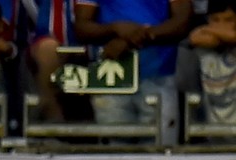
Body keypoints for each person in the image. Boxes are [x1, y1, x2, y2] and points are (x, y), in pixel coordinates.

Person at [74, 0, 193, 145]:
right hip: (111, 80)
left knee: (161, 157)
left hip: (160, 77)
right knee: (113, 157)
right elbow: (82, 28)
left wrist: (129, 40)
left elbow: (182, 23)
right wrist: (115, 28)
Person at [183, 0, 236, 126]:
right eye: (215, 20)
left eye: (228, 20)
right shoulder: (199, 50)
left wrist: (212, 31)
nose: (220, 26)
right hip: (210, 136)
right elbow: (194, 37)